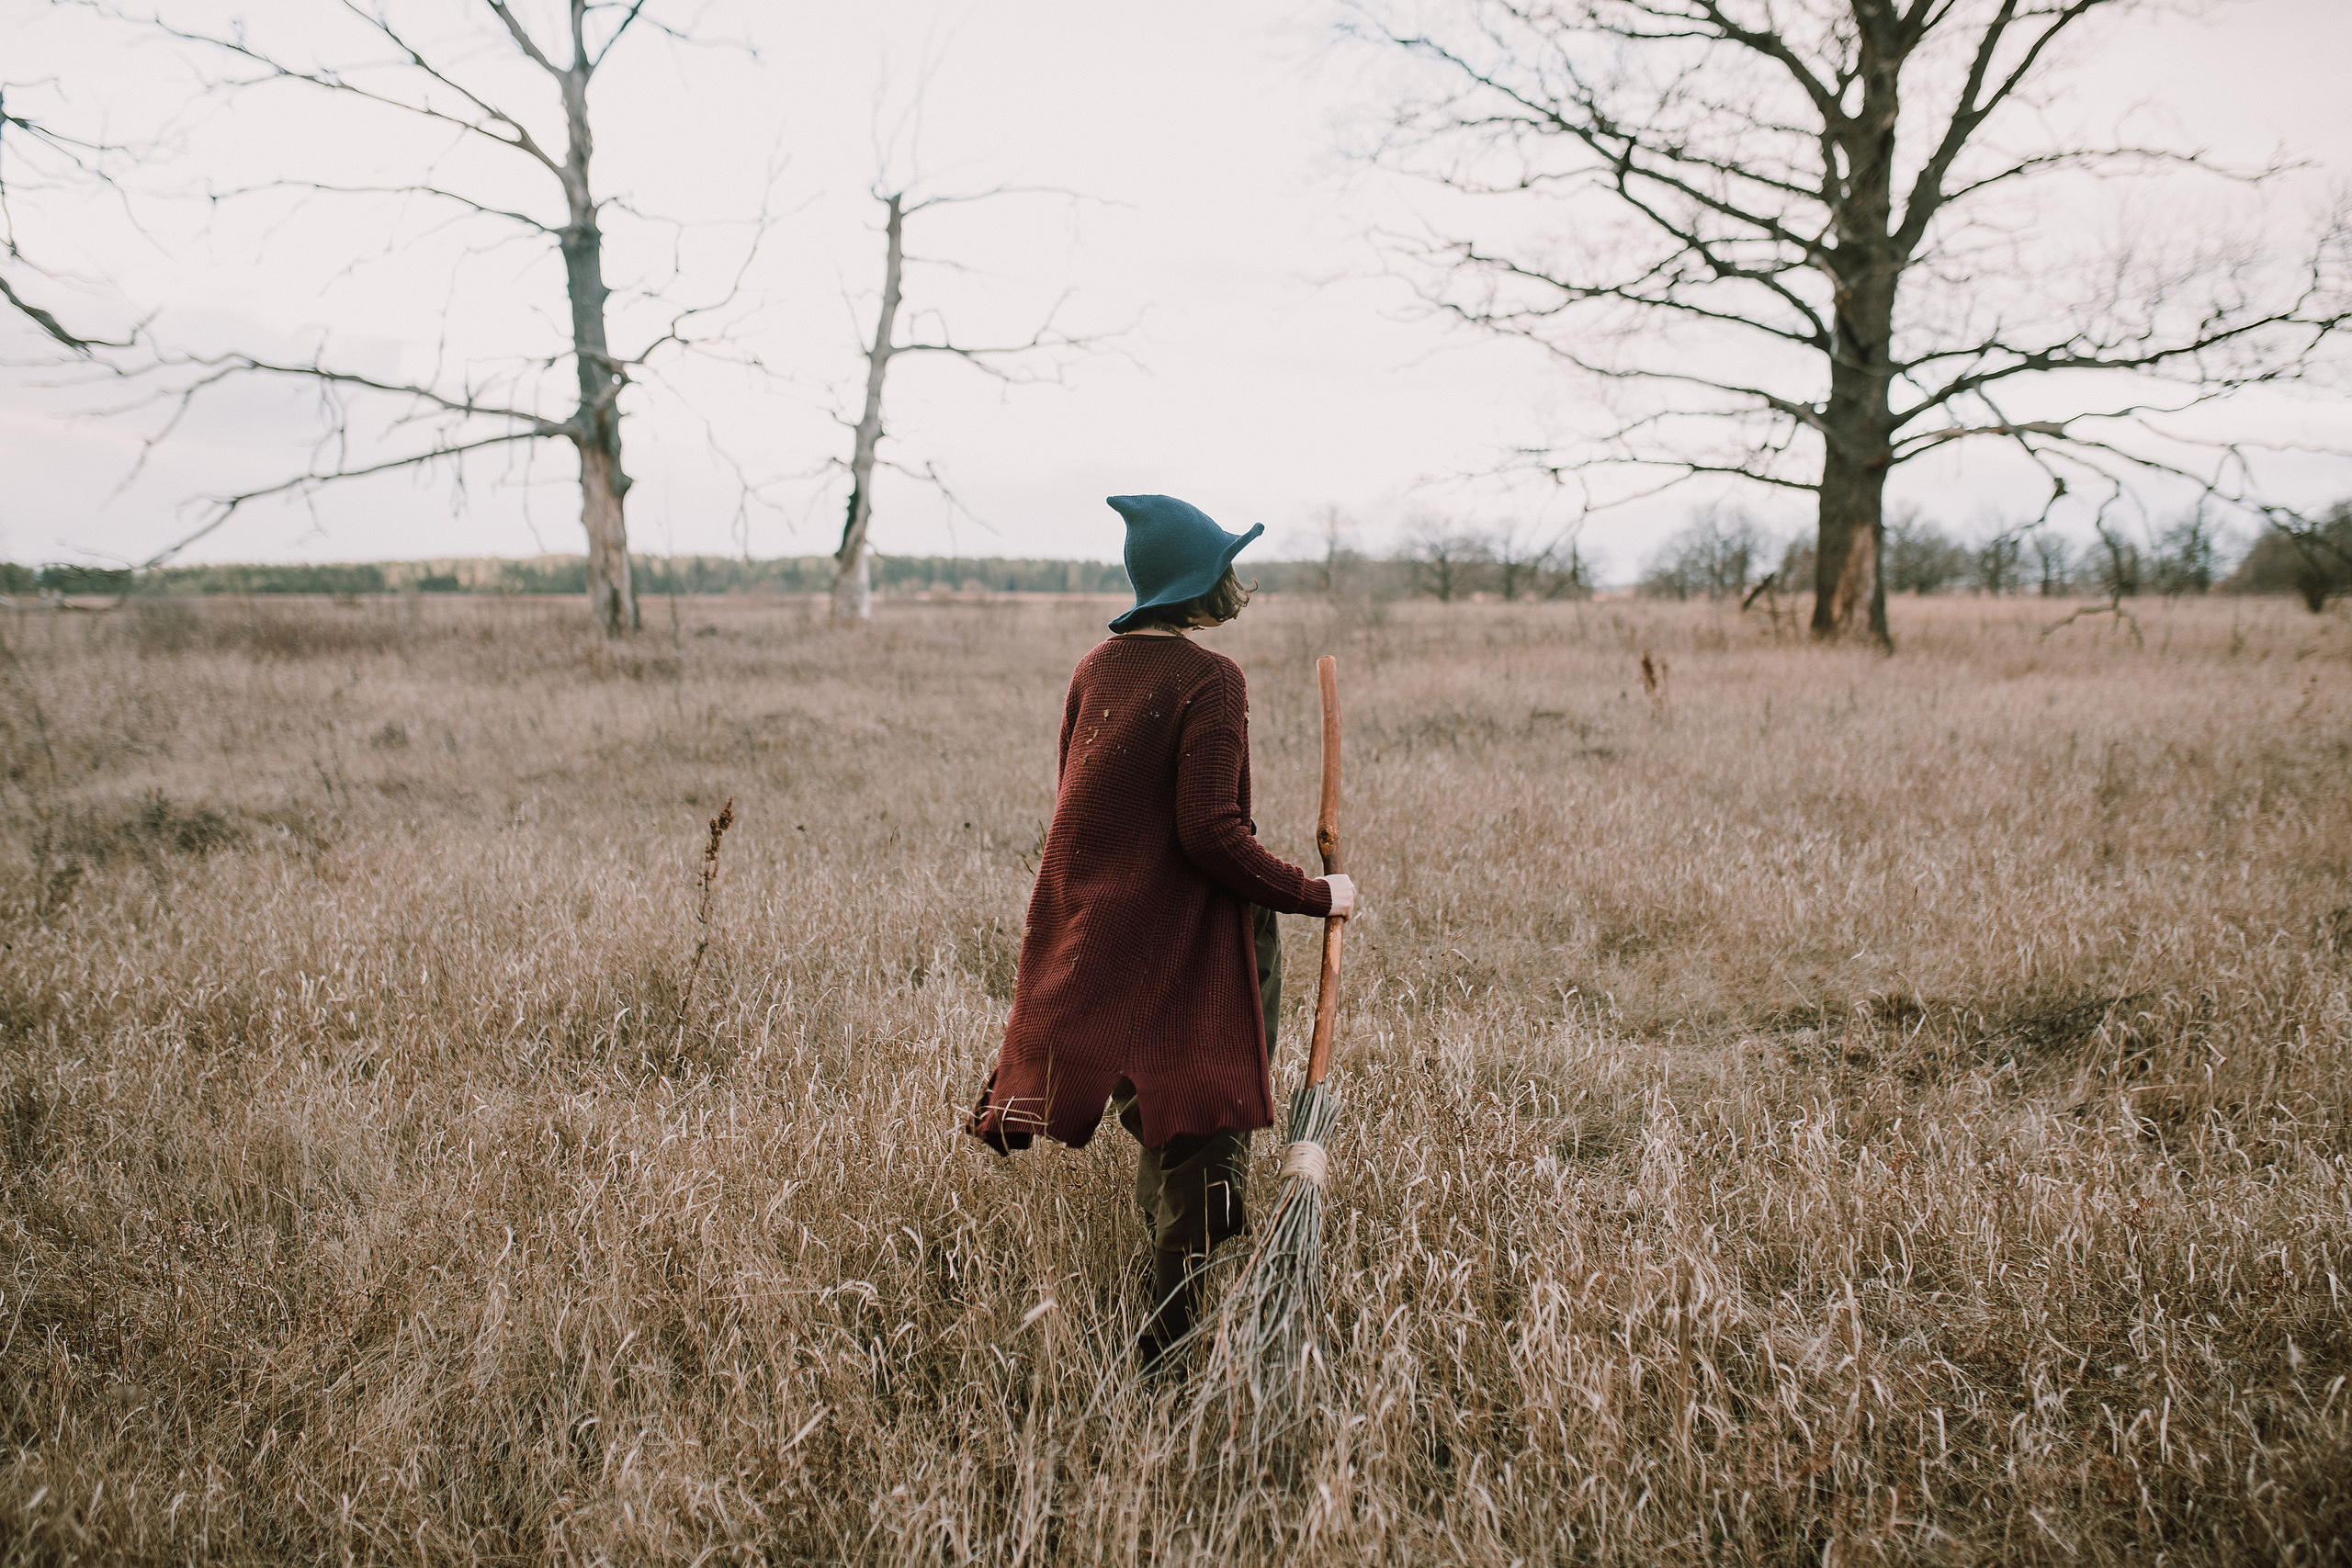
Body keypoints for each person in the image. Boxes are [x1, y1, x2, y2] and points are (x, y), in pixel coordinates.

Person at [967, 493, 1358, 1368]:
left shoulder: (1093, 668)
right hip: (1191, 941)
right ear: (1201, 580)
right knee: (1205, 1128)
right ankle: (1169, 1349)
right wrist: (1314, 892)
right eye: (1225, 564)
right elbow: (1209, 834)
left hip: (1113, 936)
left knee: (1167, 1119)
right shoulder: (1210, 679)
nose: (1236, 579)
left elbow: (1091, 808)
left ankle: (1167, 1310)